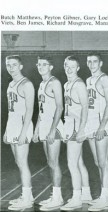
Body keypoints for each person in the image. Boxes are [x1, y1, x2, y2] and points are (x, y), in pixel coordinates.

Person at [60, 56, 93, 211]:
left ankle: (76, 197)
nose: (69, 69)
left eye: (72, 67)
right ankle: (86, 194)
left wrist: (81, 129)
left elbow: (86, 108)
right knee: (78, 163)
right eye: (67, 66)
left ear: (78, 68)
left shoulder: (79, 84)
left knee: (71, 164)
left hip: (76, 126)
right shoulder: (67, 84)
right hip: (69, 125)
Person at [32, 55, 65, 211]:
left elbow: (60, 107)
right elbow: (41, 109)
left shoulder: (55, 82)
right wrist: (37, 129)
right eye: (39, 64)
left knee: (54, 162)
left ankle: (58, 198)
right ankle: (54, 194)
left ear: (51, 67)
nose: (41, 67)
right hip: (45, 125)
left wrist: (52, 130)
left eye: (44, 65)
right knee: (49, 163)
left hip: (55, 126)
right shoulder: (42, 83)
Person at [4, 55, 35, 211]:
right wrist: (6, 131)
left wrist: (23, 133)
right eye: (8, 65)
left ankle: (28, 198)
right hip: (13, 126)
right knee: (18, 162)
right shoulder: (11, 84)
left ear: (21, 66)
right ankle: (25, 195)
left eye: (14, 65)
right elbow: (11, 111)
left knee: (23, 163)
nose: (11, 68)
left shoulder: (27, 84)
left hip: (23, 126)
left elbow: (30, 110)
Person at [85, 52, 108, 211]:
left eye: (95, 61)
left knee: (103, 162)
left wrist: (102, 126)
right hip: (90, 123)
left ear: (100, 63)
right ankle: (104, 195)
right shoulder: (89, 80)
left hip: (102, 123)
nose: (92, 64)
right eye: (89, 61)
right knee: (97, 162)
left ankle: (105, 197)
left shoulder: (105, 79)